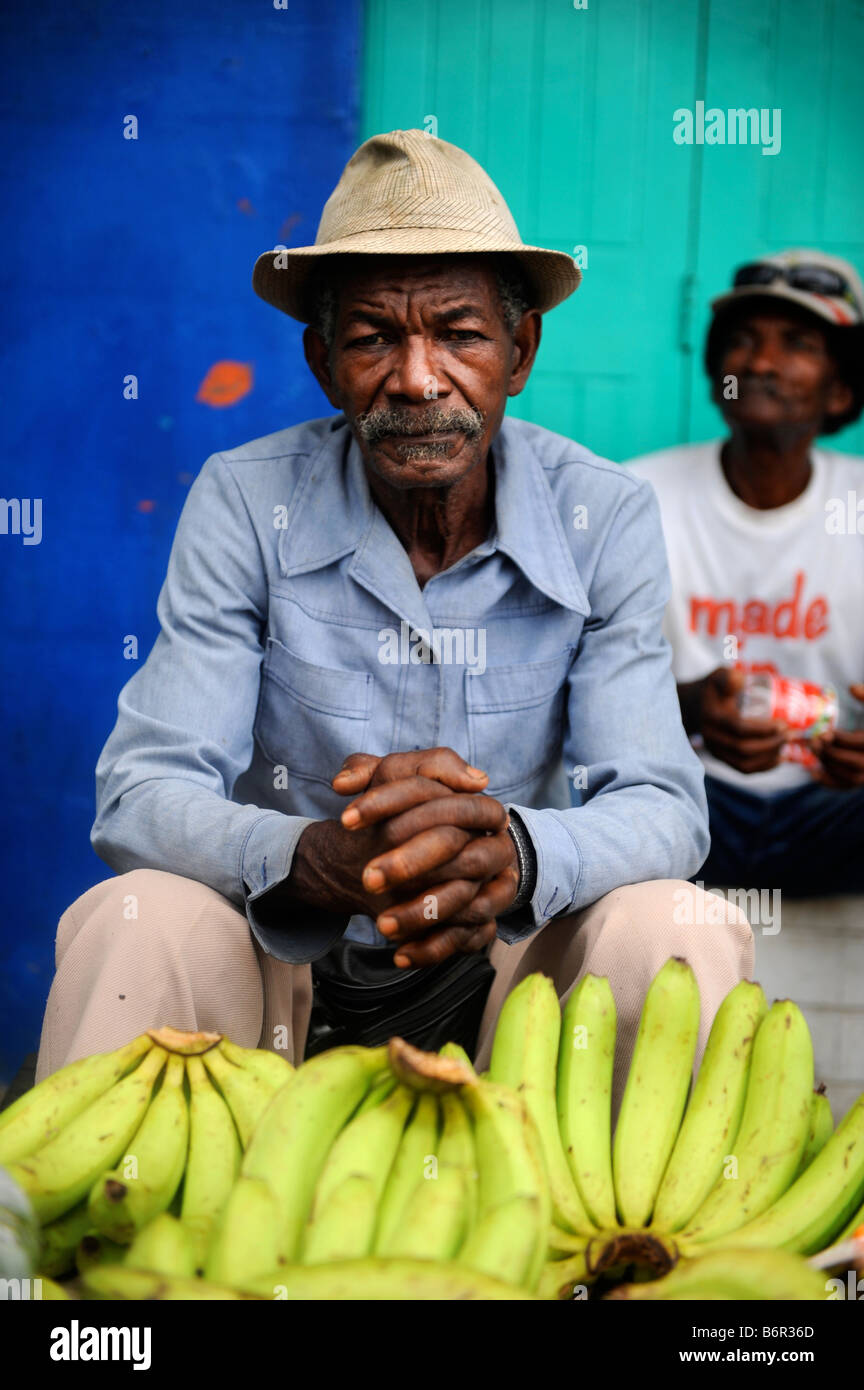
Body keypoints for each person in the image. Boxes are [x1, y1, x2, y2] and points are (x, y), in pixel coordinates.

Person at [36, 130, 750, 1102]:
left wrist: (520, 852)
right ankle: (77, 1230)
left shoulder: (605, 513)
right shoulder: (245, 499)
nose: (419, 379)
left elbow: (665, 807)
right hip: (287, 973)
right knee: (139, 912)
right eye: (375, 337)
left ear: (520, 352)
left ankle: (640, 1233)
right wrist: (305, 857)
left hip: (508, 976)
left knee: (677, 922)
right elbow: (139, 793)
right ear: (325, 364)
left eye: (459, 333)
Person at [627, 250, 864, 895]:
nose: (759, 364)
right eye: (741, 342)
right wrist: (693, 709)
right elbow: (580, 694)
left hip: (834, 814)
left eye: (797, 344)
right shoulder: (637, 495)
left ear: (841, 386)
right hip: (688, 806)